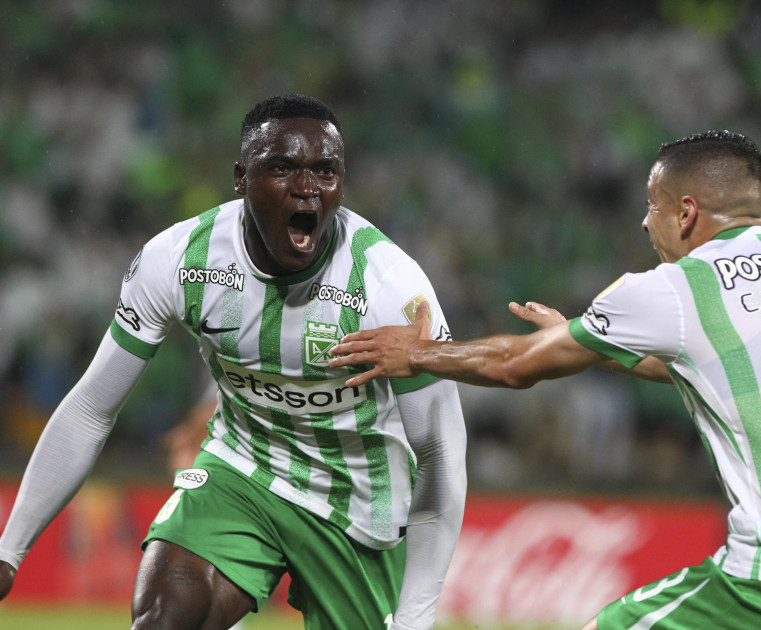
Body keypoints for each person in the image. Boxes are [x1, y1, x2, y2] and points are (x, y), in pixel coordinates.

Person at [329, 130, 761, 629]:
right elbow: (715, 369)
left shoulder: (680, 284)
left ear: (686, 212)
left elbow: (514, 365)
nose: (644, 222)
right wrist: (594, 346)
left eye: (652, 205)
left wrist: (422, 353)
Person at [0, 93, 468, 630]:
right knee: (163, 618)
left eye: (325, 171)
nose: (307, 188)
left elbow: (440, 451)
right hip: (244, 469)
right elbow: (91, 409)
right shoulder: (181, 260)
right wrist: (9, 551)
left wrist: (414, 618)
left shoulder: (392, 288)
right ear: (242, 178)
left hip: (359, 505)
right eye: (283, 168)